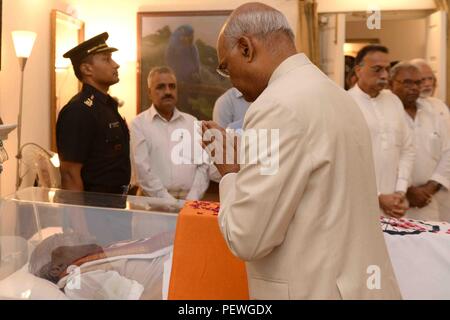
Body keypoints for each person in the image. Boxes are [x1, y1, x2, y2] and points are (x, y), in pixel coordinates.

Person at [202, 3, 401, 299]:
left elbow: (247, 238)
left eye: (226, 67)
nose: (232, 83)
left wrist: (230, 171)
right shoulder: (334, 93)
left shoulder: (275, 105)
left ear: (245, 48)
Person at [56, 32, 131, 195]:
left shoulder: (106, 105)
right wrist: (78, 221)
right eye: (106, 59)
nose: (116, 64)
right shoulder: (79, 110)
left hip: (115, 205)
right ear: (86, 69)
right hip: (95, 210)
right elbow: (69, 175)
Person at [348, 45, 415, 218]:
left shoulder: (393, 101)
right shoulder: (345, 102)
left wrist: (400, 191)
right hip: (359, 203)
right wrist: (377, 196)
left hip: (395, 203)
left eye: (387, 69)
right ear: (358, 70)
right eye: (377, 69)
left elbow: (408, 148)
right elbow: (345, 159)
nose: (384, 75)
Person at [130, 66, 209, 201]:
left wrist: (192, 199)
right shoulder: (138, 124)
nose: (168, 91)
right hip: (151, 205)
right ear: (149, 93)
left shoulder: (192, 122)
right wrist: (170, 203)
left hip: (188, 202)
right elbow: (142, 170)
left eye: (172, 86)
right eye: (160, 87)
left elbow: (203, 165)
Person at [390, 62, 450, 221]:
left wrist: (431, 187)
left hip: (429, 199)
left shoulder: (433, 112)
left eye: (418, 82)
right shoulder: (386, 115)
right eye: (407, 82)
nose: (414, 87)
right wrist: (407, 189)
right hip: (395, 199)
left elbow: (448, 152)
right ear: (391, 84)